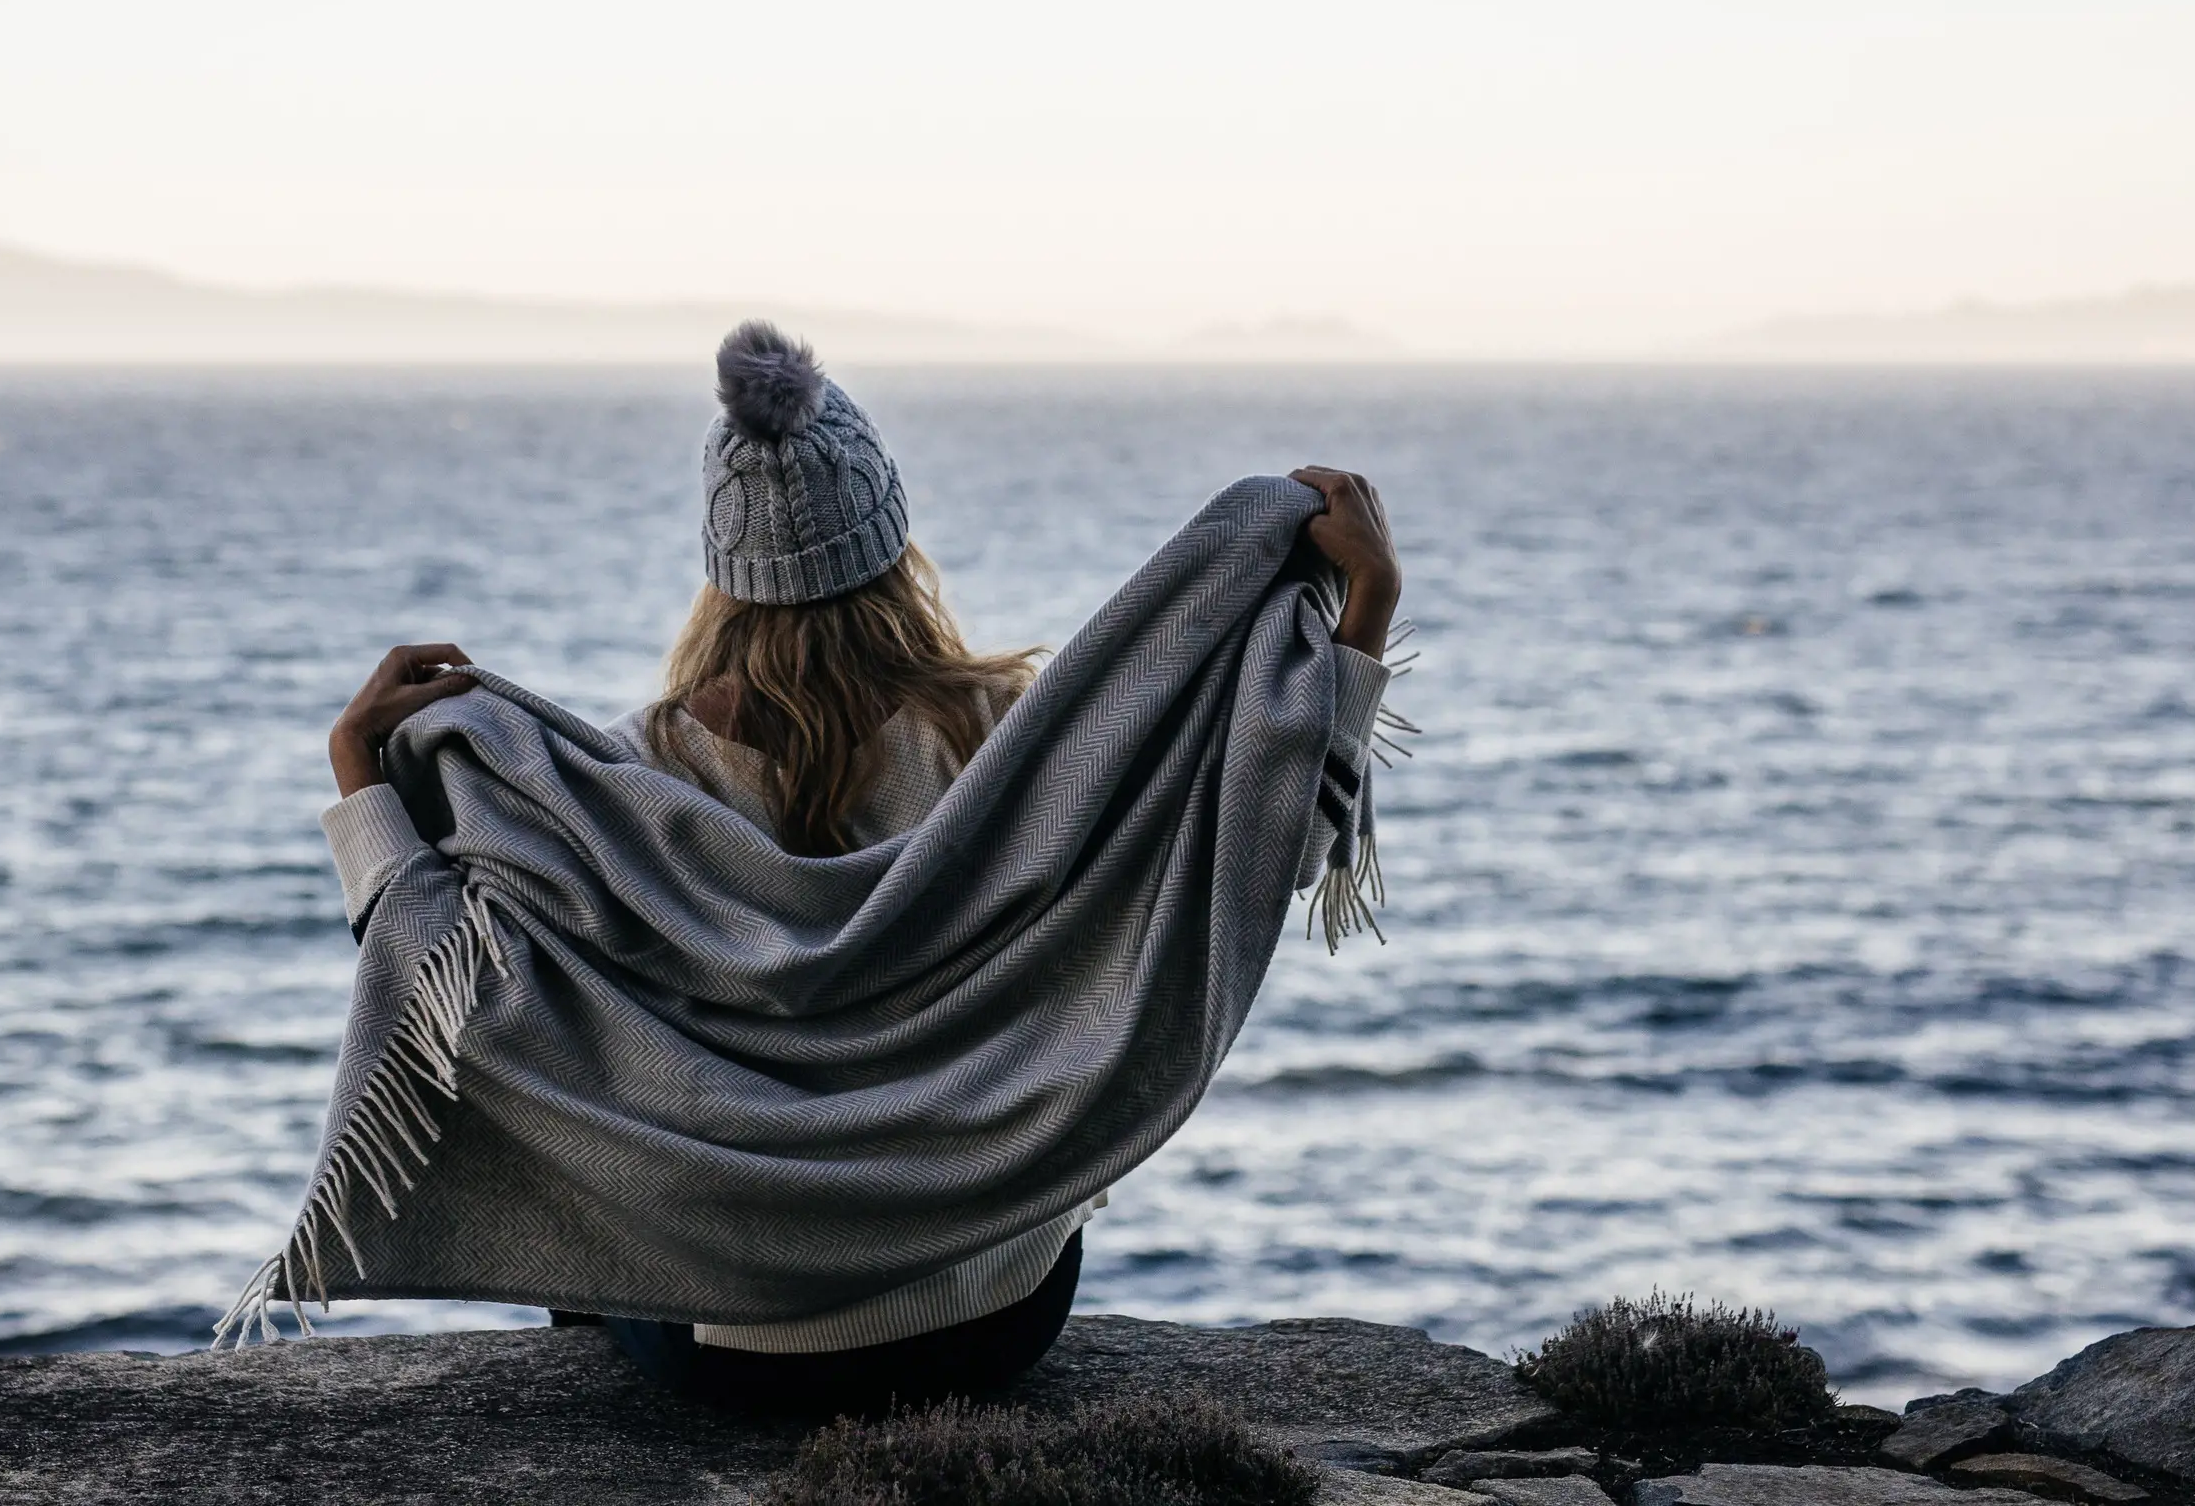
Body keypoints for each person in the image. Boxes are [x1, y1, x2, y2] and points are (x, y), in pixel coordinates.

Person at [311, 322, 1401, 1413]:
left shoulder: (626, 782)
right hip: (993, 1313)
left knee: (596, 1170)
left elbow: (454, 997)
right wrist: (1361, 612)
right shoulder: (1013, 745)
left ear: (718, 576)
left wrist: (364, 775)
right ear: (893, 547)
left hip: (733, 1359)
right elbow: (1262, 852)